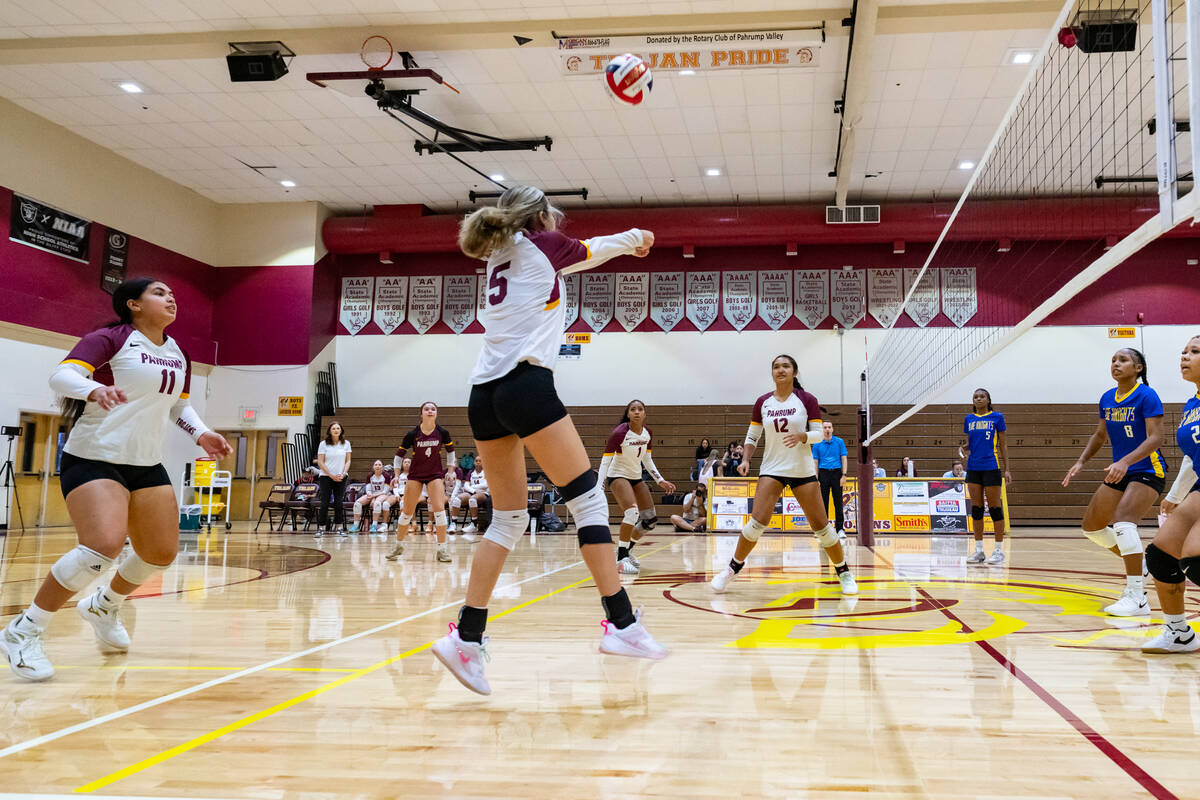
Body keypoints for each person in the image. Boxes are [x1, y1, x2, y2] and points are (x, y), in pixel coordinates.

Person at [432, 185, 667, 695]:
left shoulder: (500, 253)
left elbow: (573, 261)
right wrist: (637, 237)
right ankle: (623, 625)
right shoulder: (545, 243)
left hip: (483, 394)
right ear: (540, 216)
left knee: (509, 518)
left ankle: (466, 638)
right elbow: (595, 249)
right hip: (525, 385)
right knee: (588, 501)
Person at [2, 278, 231, 682]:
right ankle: (24, 629)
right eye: (159, 293)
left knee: (160, 552)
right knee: (102, 546)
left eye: (171, 294)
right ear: (133, 304)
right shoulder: (110, 339)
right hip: (95, 455)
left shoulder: (178, 352)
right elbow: (62, 376)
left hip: (145, 462)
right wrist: (93, 390)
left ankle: (103, 604)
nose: (170, 298)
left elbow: (177, 405)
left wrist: (201, 433)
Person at [710, 354, 858, 596]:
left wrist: (802, 436)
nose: (780, 370)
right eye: (776, 367)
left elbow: (818, 434)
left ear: (794, 372)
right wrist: (746, 459)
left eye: (786, 366)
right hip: (772, 468)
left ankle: (844, 573)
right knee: (756, 523)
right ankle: (732, 569)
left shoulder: (807, 400)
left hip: (801, 470)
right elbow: (752, 436)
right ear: (772, 372)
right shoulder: (763, 402)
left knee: (822, 527)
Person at [1063, 348, 1166, 616]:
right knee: (1092, 527)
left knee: (1123, 521)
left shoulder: (1147, 395)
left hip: (1147, 468)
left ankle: (1137, 597)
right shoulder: (1107, 398)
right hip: (1121, 469)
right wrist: (1081, 461)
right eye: (1113, 360)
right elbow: (1100, 435)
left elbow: (1157, 438)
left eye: (1123, 360)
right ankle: (1138, 561)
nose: (1116, 364)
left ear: (1138, 368)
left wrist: (1125, 462)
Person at [1143, 334, 1200, 652]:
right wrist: (1176, 495)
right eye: (1183, 351)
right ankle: (1179, 634)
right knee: (1162, 556)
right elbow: (1193, 457)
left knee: (1196, 557)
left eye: (1195, 351)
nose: (1185, 356)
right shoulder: (1192, 406)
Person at [600, 400, 676, 574]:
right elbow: (605, 461)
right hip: (617, 475)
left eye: (640, 409)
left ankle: (626, 550)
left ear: (644, 413)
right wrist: (599, 487)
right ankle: (621, 559)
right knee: (632, 512)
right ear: (628, 414)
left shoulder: (647, 433)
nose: (636, 412)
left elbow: (647, 459)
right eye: (633, 409)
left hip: (636, 477)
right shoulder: (620, 433)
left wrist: (660, 480)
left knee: (650, 520)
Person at [386, 402, 456, 563]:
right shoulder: (413, 434)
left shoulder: (442, 432)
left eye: (433, 409)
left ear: (436, 413)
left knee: (439, 511)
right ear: (421, 413)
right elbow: (398, 456)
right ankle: (398, 546)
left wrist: (451, 471)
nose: (430, 411)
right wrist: (396, 475)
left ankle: (442, 550)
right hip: (415, 476)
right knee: (406, 512)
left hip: (435, 475)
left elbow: (451, 452)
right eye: (427, 409)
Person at [958, 388, 1011, 565]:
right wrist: (964, 448)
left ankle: (998, 551)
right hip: (973, 467)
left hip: (991, 466)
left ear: (988, 400)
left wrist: (1007, 469)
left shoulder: (997, 417)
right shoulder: (969, 419)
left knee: (995, 508)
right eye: (976, 397)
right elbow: (973, 442)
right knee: (977, 509)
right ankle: (979, 551)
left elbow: (1003, 444)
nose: (979, 399)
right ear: (973, 401)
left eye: (982, 396)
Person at [812, 421, 849, 537]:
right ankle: (823, 530)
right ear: (822, 430)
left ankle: (840, 529)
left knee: (838, 502)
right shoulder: (817, 444)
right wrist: (816, 478)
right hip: (823, 473)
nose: (827, 429)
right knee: (823, 503)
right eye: (825, 427)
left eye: (829, 427)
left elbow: (844, 458)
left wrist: (844, 475)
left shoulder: (839, 442)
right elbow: (815, 462)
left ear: (832, 429)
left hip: (837, 473)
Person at [315, 421, 351, 536]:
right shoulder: (323, 444)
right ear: (330, 431)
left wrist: (343, 473)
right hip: (326, 477)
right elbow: (320, 462)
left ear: (341, 431)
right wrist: (331, 475)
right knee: (324, 502)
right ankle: (321, 528)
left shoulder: (346, 444)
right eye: (333, 428)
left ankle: (339, 527)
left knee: (339, 503)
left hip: (341, 477)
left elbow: (348, 461)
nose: (336, 430)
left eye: (338, 428)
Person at [452, 455, 489, 542]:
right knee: (457, 499)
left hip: (484, 493)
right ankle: (453, 523)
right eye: (476, 461)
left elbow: (485, 485)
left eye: (480, 461)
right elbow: (465, 485)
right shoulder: (471, 472)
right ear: (474, 462)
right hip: (473, 492)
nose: (478, 462)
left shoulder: (486, 472)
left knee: (472, 499)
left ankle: (474, 524)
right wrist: (474, 490)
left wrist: (472, 487)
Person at [350, 460, 390, 533]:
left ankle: (374, 525)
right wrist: (370, 495)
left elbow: (385, 491)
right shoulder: (370, 475)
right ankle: (355, 525)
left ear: (382, 467)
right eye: (376, 465)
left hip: (383, 494)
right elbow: (368, 489)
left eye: (379, 465)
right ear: (373, 467)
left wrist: (373, 497)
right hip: (372, 494)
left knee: (377, 503)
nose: (377, 466)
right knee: (357, 503)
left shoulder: (386, 476)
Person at [380, 457, 411, 532]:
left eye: (408, 462)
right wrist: (397, 495)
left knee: (402, 503)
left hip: (408, 495)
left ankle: (401, 525)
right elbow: (395, 487)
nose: (407, 463)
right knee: (385, 504)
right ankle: (384, 525)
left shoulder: (413, 476)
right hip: (397, 494)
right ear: (402, 464)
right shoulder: (398, 476)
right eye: (405, 462)